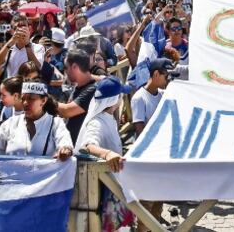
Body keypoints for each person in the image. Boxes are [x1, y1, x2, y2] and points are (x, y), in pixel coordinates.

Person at [76, 76, 135, 232]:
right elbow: (87, 145)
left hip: (115, 185)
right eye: (121, 94)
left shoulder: (109, 119)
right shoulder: (97, 123)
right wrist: (107, 154)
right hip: (105, 191)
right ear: (114, 100)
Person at [57, 50, 96, 141]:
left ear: (74, 67)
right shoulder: (78, 87)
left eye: (66, 67)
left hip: (82, 151)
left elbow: (67, 111)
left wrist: (43, 99)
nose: (64, 71)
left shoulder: (92, 90)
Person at [132, 58, 175, 136]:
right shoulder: (139, 98)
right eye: (166, 76)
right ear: (156, 74)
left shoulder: (164, 94)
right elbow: (140, 132)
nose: (168, 80)